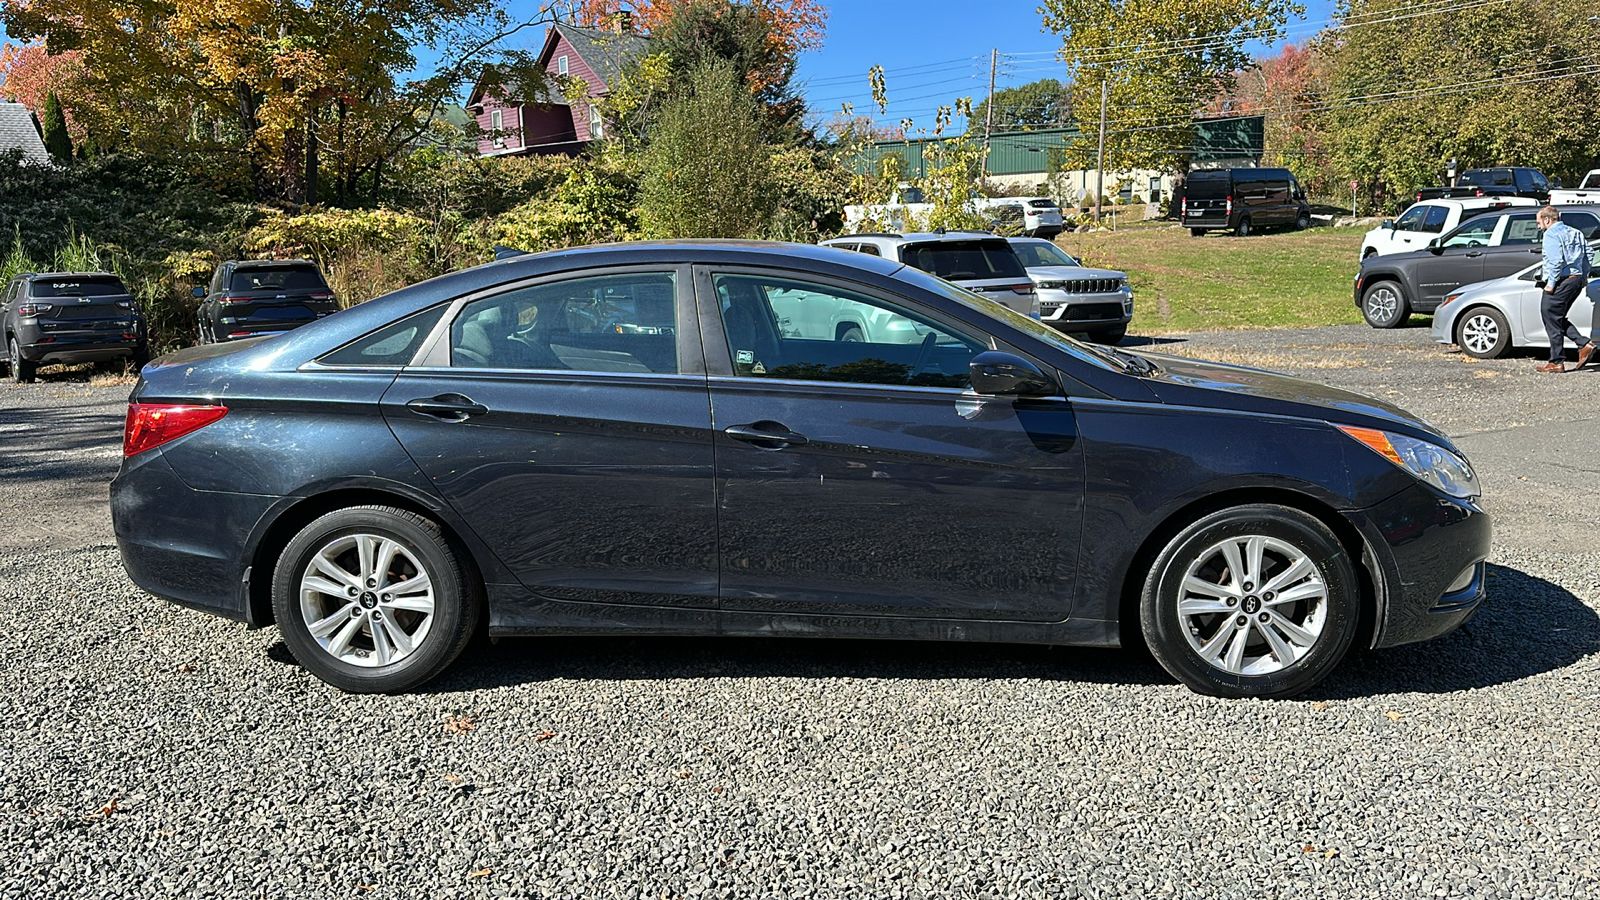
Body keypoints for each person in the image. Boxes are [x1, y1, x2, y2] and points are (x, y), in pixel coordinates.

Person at [1535, 206, 1596, 373]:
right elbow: (1589, 253)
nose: (1539, 226)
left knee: (1549, 313)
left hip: (1562, 280)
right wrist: (1582, 275)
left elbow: (1555, 261)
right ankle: (1583, 345)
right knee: (1555, 317)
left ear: (1547, 220)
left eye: (1539, 222)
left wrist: (1551, 284)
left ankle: (1557, 361)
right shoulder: (1575, 232)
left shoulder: (1551, 234)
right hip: (1575, 280)